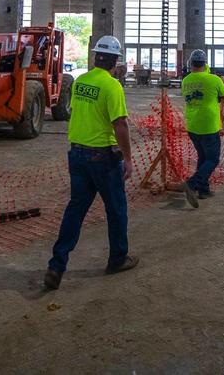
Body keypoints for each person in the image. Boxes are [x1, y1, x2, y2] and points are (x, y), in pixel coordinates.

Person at [45, 35, 137, 290]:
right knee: (116, 209)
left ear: (96, 56)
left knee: (75, 210)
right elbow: (120, 124)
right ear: (115, 61)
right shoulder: (112, 86)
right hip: (103, 158)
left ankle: (56, 264)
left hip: (77, 155)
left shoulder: (80, 82)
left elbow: (78, 112)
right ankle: (118, 258)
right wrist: (128, 158)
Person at [179, 49, 224, 208]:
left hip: (193, 126)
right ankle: (192, 184)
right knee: (213, 159)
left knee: (203, 157)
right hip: (209, 125)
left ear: (191, 63)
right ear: (205, 63)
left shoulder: (185, 81)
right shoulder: (214, 80)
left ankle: (203, 190)